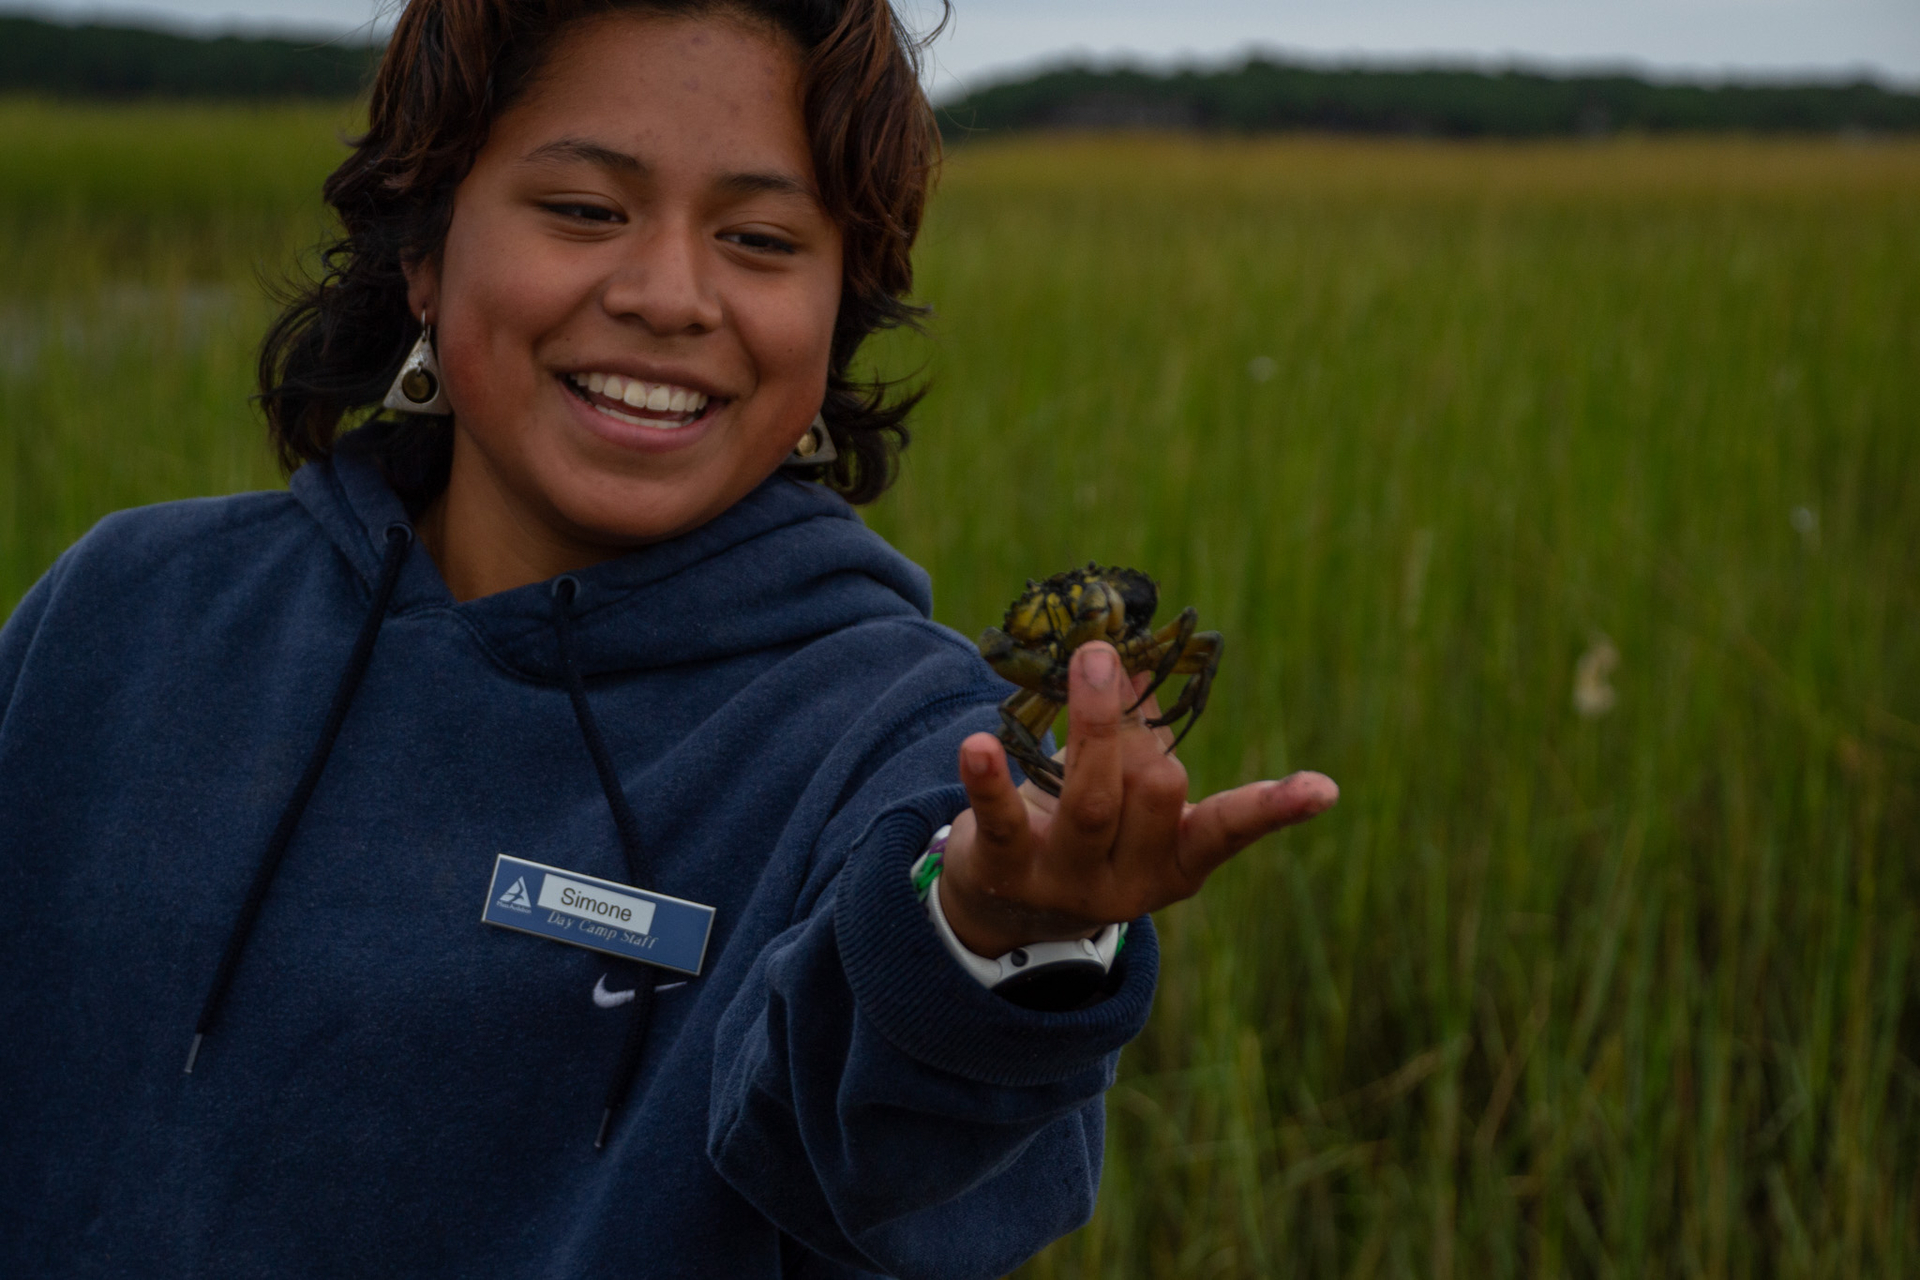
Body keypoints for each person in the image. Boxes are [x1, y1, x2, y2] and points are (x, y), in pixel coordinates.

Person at [0, 1, 1337, 1275]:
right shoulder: (124, 613)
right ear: (423, 247)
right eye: (583, 210)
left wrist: (999, 941)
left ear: (835, 315)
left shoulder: (905, 741)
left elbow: (899, 1143)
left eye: (760, 239)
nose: (668, 295)